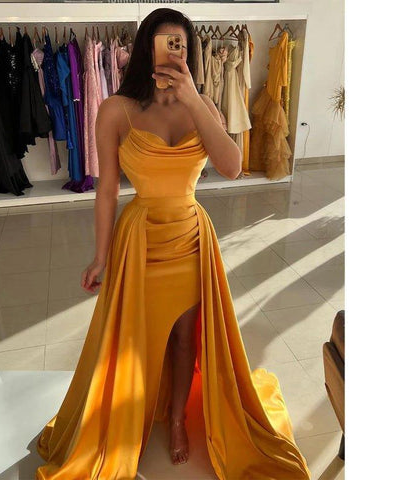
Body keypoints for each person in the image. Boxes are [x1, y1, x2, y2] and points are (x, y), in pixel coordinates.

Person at [35, 8, 311, 480]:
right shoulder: (116, 109)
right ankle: (130, 418)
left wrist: (193, 99)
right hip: (140, 239)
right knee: (135, 339)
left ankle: (179, 419)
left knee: (185, 335)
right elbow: (106, 190)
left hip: (190, 235)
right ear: (146, 49)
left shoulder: (202, 106)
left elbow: (232, 167)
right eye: (164, 43)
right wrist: (100, 255)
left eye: (180, 45)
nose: (171, 53)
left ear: (189, 51)